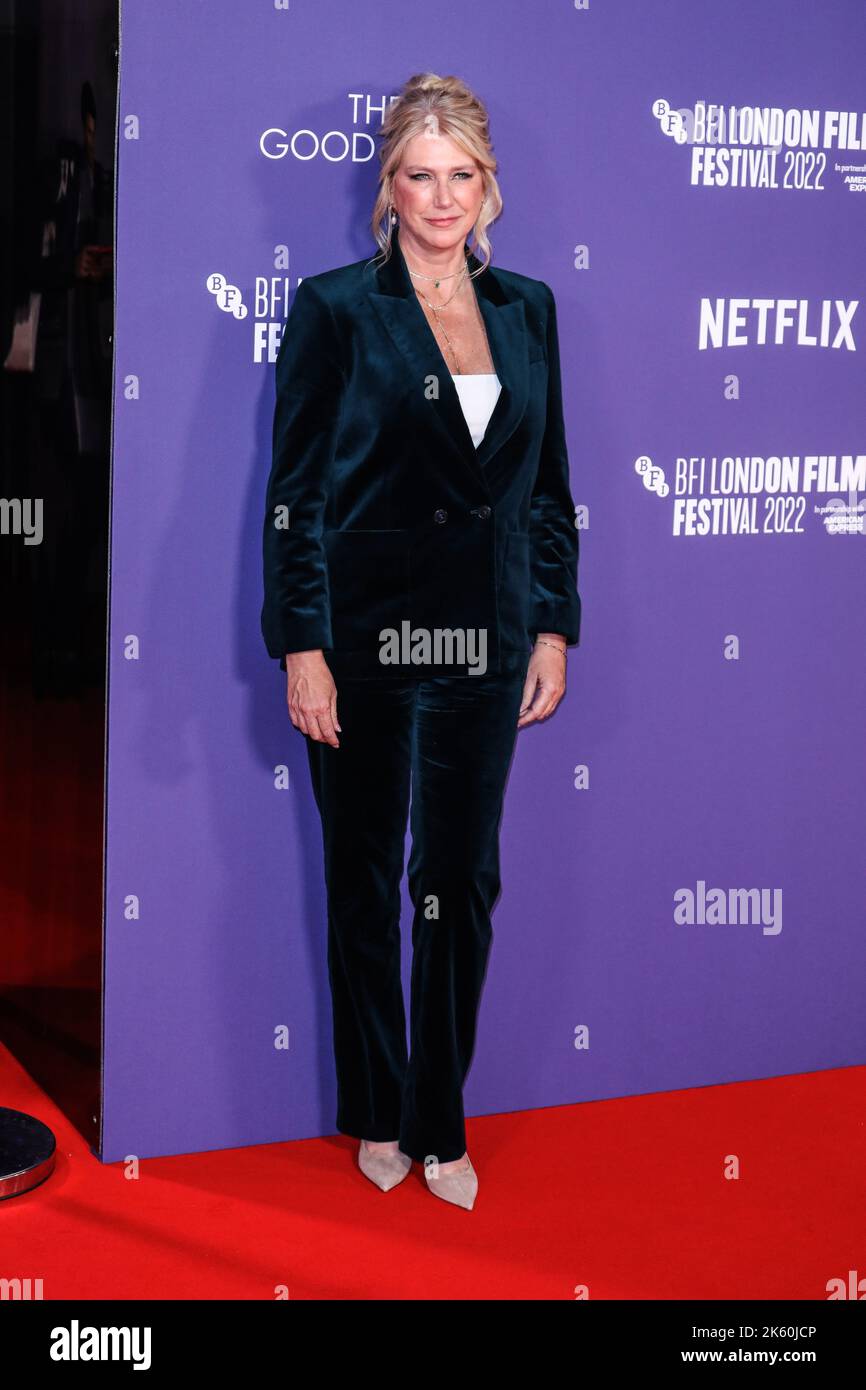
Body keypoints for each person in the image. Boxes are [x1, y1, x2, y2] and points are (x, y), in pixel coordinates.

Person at [261, 72, 581, 1210]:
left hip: (486, 644)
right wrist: (304, 643)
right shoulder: (339, 307)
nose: (439, 197)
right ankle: (380, 1105)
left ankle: (440, 1119)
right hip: (366, 638)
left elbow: (545, 490)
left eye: (460, 176)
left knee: (458, 881)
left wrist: (551, 625)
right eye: (417, 175)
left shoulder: (528, 308)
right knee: (363, 877)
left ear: (487, 187)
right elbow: (292, 492)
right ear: (386, 188)